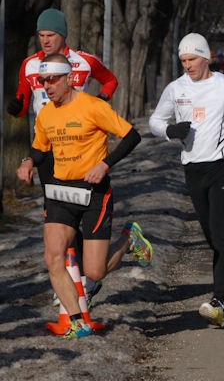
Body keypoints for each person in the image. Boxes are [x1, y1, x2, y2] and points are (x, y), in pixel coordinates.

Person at [16, 54, 147, 339]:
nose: (46, 87)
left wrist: (105, 165)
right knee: (53, 257)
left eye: (52, 80)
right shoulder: (46, 113)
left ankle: (130, 238)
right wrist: (28, 161)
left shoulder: (93, 106)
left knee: (95, 272)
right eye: (42, 81)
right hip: (61, 193)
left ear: (69, 79)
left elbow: (132, 136)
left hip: (94, 194)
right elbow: (41, 149)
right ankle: (77, 321)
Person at [7, 8, 125, 308]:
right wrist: (17, 107)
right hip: (45, 148)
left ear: (63, 36)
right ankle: (73, 291)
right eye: (41, 36)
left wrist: (101, 102)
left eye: (51, 36)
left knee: (81, 219)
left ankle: (86, 276)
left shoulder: (84, 61)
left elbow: (110, 80)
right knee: (60, 221)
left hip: (80, 148)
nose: (45, 41)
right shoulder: (29, 65)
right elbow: (23, 102)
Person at [149, 33, 224, 326]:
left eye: (193, 59)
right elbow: (155, 122)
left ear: (206, 57)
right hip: (193, 168)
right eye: (183, 61)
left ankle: (217, 302)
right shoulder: (176, 89)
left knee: (218, 232)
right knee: (211, 235)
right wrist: (170, 131)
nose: (188, 65)